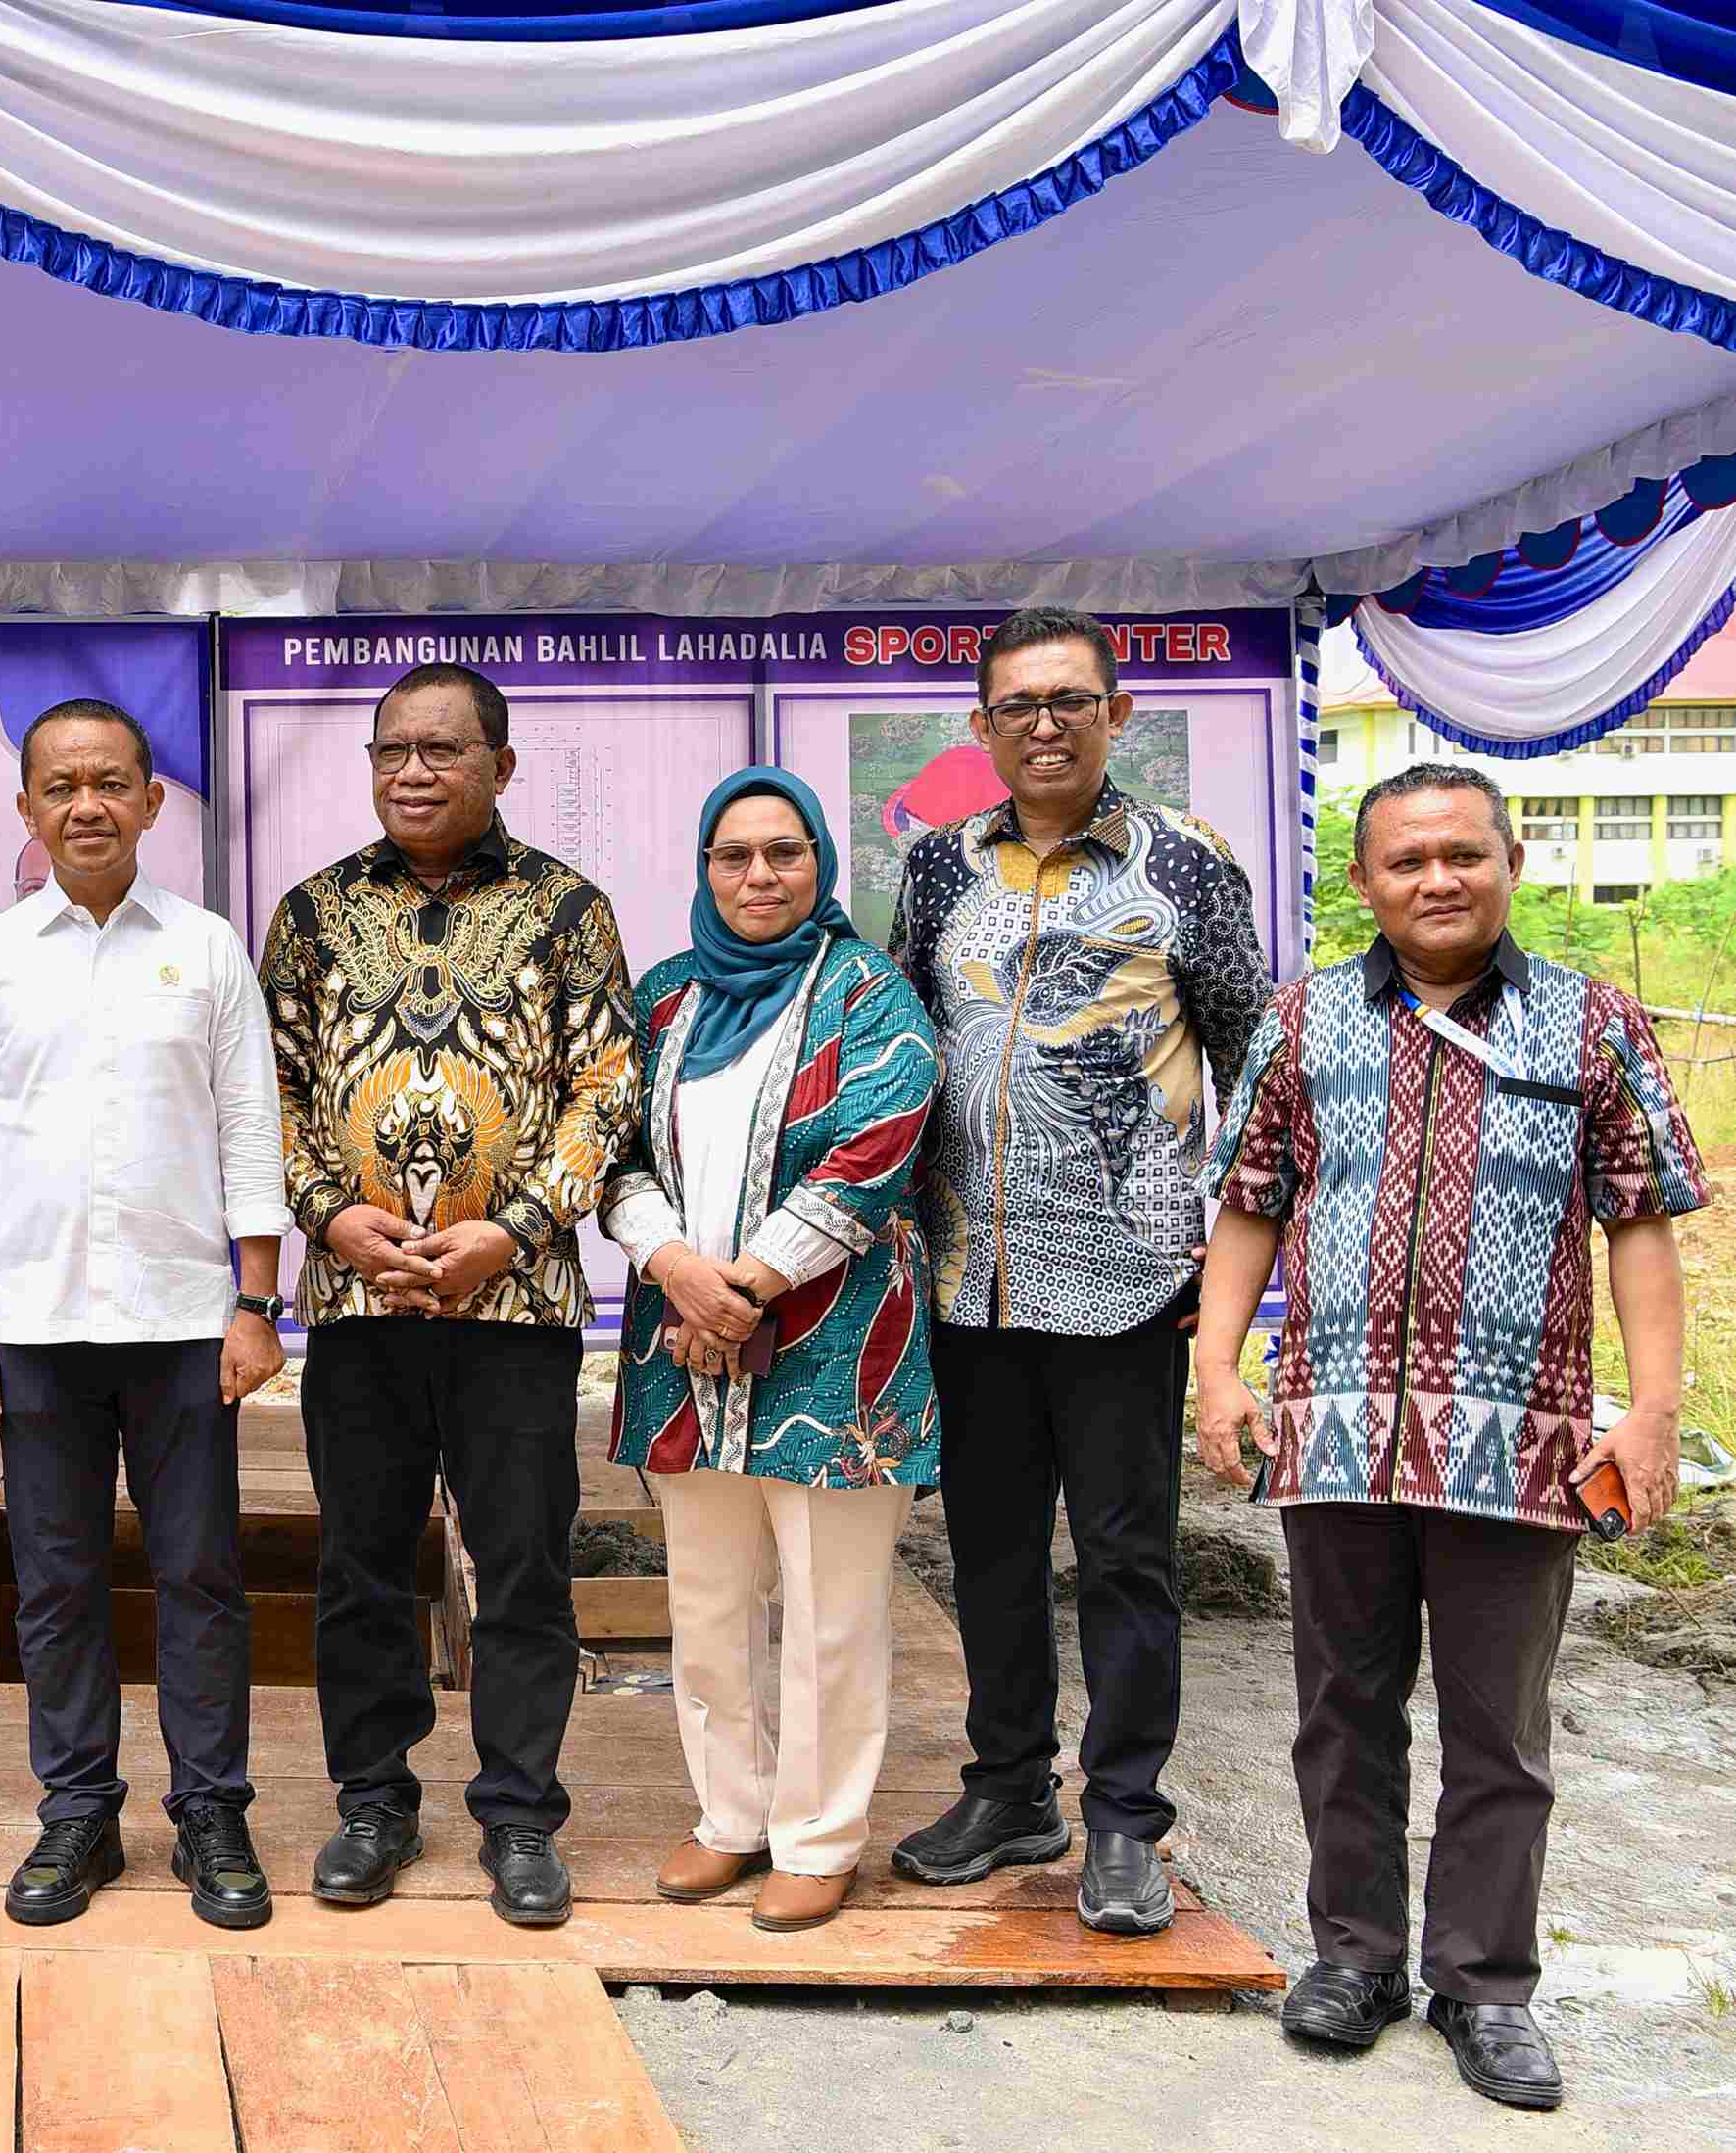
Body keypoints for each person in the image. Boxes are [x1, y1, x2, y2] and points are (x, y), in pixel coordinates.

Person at [1195, 763, 1704, 2112]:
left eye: (1459, 853)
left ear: (1508, 861)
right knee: (1339, 1708)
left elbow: (1639, 1222)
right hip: (1337, 1425)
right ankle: (1350, 1957)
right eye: (1404, 858)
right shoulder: (1300, 1025)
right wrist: (1214, 1364)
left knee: (1500, 1725)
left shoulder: (1587, 1025)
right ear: (1359, 881)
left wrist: (1651, 1410)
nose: (1434, 877)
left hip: (1517, 1441)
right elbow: (1247, 1202)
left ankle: (1482, 1981)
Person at [885, 606, 1267, 1937]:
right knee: (985, 1548)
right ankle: (1007, 1789)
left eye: (1068, 700)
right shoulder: (938, 869)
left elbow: (1251, 1063)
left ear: (1115, 715)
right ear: (980, 728)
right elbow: (898, 1046)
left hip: (1124, 1277)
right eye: (1015, 705)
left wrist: (1229, 1272)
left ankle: (1119, 1820)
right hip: (966, 1277)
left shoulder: (1187, 865)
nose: (1041, 724)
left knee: (1122, 1559)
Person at [262, 660, 638, 1928]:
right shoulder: (312, 914)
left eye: (440, 749)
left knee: (522, 1562)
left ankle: (520, 1812)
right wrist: (331, 1216)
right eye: (390, 751)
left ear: (500, 764)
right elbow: (267, 1091)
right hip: (359, 1305)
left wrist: (514, 1227)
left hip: (514, 1307)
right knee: (362, 1561)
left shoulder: (564, 913)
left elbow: (605, 1089)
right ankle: (372, 1799)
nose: (411, 772)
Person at [0, 699, 291, 1931]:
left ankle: (209, 1809)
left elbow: (249, 1126)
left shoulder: (206, 945)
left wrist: (254, 1298)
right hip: (33, 1324)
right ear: (26, 808)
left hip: (186, 1318)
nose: (87, 803)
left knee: (198, 1573)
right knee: (58, 1581)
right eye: (61, 784)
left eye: (110, 782)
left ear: (150, 801)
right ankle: (77, 1807)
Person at [603, 769, 941, 1933]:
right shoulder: (662, 1002)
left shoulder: (869, 994)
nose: (759, 876)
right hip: (683, 1346)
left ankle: (817, 1832)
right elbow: (613, 1154)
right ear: (704, 869)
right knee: (703, 1597)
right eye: (734, 856)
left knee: (832, 1608)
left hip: (836, 1351)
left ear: (819, 866)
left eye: (783, 854)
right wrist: (678, 1272)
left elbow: (877, 1144)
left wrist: (744, 1283)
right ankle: (728, 1818)